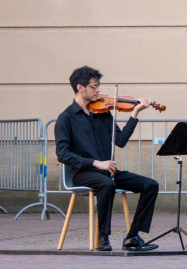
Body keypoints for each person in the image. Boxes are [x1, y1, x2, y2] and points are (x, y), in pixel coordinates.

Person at [55, 66, 159, 252]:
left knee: (150, 185)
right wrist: (95, 162)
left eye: (98, 86)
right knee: (107, 185)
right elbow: (62, 154)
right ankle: (103, 237)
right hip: (83, 173)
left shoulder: (102, 113)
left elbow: (120, 141)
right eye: (94, 87)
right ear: (80, 88)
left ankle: (132, 237)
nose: (98, 90)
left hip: (107, 172)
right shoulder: (66, 118)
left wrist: (135, 114)